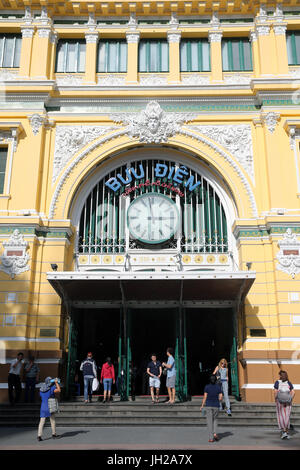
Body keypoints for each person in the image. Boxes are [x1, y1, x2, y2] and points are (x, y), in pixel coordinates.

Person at [200, 374, 223, 443]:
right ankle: (215, 433)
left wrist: (202, 405)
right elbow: (221, 397)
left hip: (209, 406)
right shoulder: (218, 387)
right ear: (216, 380)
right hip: (216, 405)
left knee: (209, 422)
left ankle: (211, 438)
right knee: (215, 420)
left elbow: (205, 397)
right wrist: (218, 401)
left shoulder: (207, 387)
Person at [37, 377, 61, 441]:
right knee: (52, 420)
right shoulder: (51, 388)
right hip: (50, 406)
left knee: (41, 422)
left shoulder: (41, 389)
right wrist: (56, 383)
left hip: (43, 407)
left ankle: (39, 436)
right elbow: (59, 390)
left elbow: (41, 396)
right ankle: (54, 434)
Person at [274, 370, 295, 439]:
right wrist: (290, 398)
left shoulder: (277, 382)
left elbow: (275, 392)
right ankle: (286, 431)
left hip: (280, 402)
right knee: (287, 416)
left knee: (281, 416)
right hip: (288, 402)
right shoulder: (289, 383)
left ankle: (284, 432)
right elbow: (293, 392)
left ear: (280, 376)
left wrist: (276, 399)